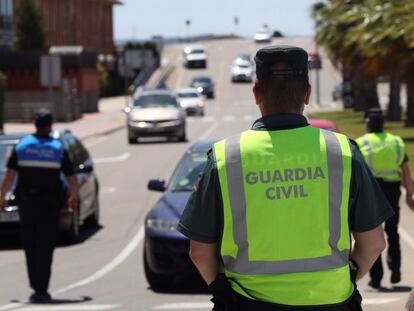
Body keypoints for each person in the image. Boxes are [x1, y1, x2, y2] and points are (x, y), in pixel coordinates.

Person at [177, 45, 395, 311]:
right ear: (307, 94)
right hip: (332, 302)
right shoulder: (342, 152)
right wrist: (347, 277)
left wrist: (221, 290)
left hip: (247, 302)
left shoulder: (225, 157)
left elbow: (199, 252)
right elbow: (374, 244)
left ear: (256, 94)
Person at [0, 109, 78, 303]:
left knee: (30, 245)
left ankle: (36, 284)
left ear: (35, 125)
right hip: (50, 205)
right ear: (50, 125)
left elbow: (9, 176)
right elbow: (71, 179)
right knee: (46, 246)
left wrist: (1, 198)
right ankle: (41, 288)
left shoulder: (22, 146)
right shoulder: (57, 148)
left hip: (27, 204)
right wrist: (72, 198)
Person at [356, 109, 414, 289]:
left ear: (367, 123)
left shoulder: (361, 143)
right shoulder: (396, 142)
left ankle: (376, 277)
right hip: (392, 191)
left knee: (372, 234)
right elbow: (405, 170)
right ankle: (395, 269)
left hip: (371, 192)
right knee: (393, 232)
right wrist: (410, 194)